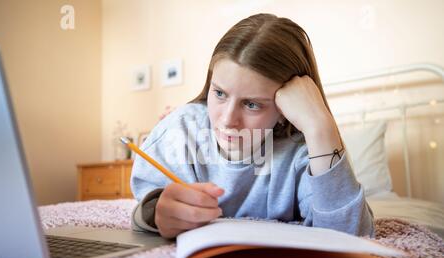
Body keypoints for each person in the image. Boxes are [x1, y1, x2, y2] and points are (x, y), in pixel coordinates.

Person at [130, 13, 374, 239]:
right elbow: (142, 208)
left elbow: (350, 235)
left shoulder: (304, 153)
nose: (227, 120)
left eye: (252, 105)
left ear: (284, 110)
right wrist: (155, 213)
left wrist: (319, 126)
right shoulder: (180, 131)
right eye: (219, 93)